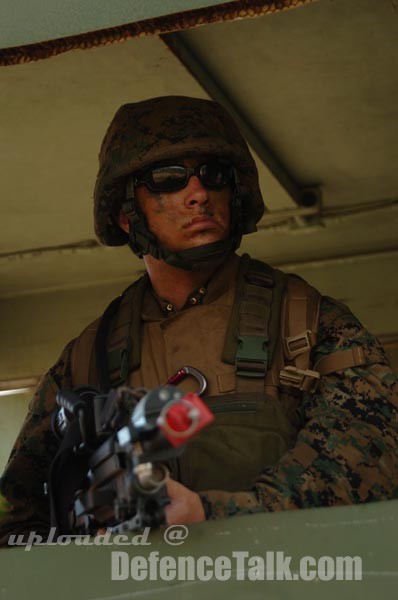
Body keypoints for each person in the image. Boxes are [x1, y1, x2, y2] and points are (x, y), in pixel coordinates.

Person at [1, 96, 397, 544]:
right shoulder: (87, 359)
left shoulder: (303, 322)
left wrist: (214, 515)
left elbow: (369, 460)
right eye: (169, 179)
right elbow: (20, 522)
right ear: (126, 217)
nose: (199, 194)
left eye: (214, 176)